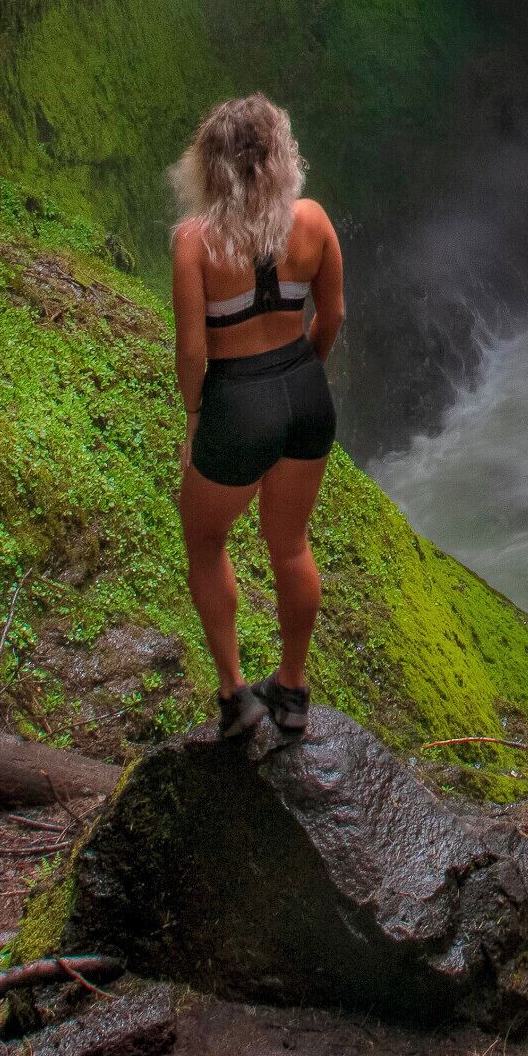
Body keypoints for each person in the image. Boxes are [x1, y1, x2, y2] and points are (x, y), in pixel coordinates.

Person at [169, 93, 344, 757]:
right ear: (280, 157)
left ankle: (235, 695)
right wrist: (305, 374)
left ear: (211, 165)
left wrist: (194, 418)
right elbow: (330, 318)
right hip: (304, 391)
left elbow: (192, 351)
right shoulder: (314, 221)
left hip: (237, 401)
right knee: (291, 546)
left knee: (205, 541)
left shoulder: (196, 241)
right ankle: (293, 691)